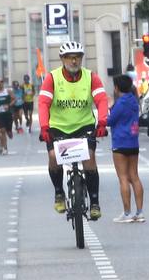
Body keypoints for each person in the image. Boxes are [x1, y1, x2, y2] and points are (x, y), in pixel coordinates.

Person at [38, 40, 107, 221]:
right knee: (53, 157)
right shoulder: (52, 78)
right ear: (62, 59)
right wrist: (44, 127)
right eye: (70, 58)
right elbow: (43, 104)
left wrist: (102, 123)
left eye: (77, 58)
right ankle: (59, 192)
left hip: (83, 125)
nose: (74, 61)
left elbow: (101, 100)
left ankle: (94, 203)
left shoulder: (91, 77)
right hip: (58, 127)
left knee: (89, 161)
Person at [106, 74, 145, 223]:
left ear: (116, 87)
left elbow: (110, 121)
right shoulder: (134, 101)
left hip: (120, 142)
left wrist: (109, 109)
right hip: (133, 142)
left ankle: (127, 213)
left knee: (123, 178)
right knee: (134, 176)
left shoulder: (120, 103)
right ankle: (140, 212)